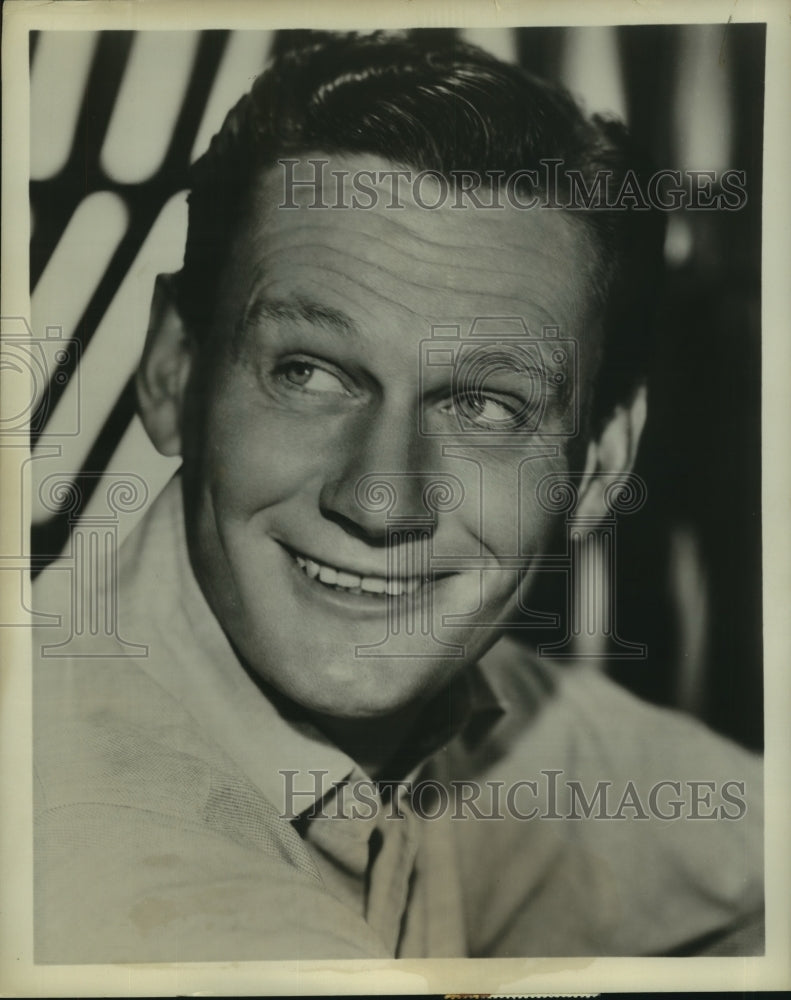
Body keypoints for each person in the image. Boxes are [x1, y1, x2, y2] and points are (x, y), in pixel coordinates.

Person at [32, 31, 763, 962]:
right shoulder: (94, 846)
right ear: (174, 368)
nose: (380, 503)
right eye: (310, 372)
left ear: (597, 470)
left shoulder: (469, 715)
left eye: (486, 405)